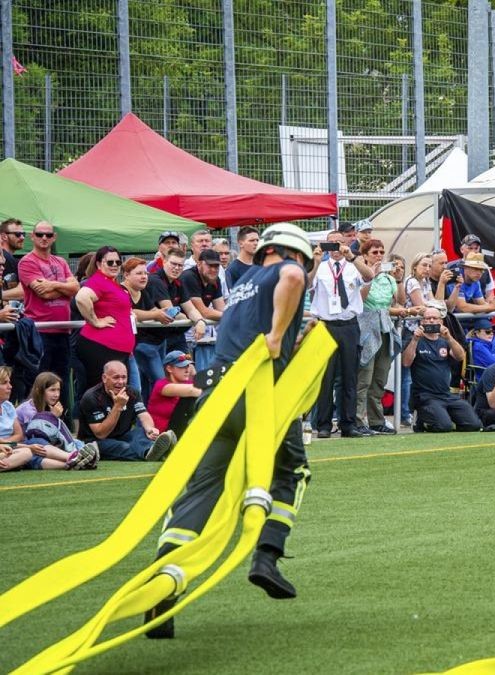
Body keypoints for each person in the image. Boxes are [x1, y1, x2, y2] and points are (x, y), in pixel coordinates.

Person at [145, 222, 314, 638]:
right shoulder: (286, 271)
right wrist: (278, 336)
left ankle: (163, 584)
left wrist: (290, 337)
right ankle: (267, 555)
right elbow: (292, 278)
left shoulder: (241, 286)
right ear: (295, 253)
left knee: (203, 488)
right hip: (262, 394)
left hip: (219, 394)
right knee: (291, 472)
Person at [309, 231, 370, 438]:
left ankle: (348, 423)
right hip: (326, 325)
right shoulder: (321, 267)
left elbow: (370, 276)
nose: (336, 249)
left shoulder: (353, 265)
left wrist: (351, 256)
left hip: (349, 325)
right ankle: (324, 424)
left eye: (340, 244)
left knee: (349, 376)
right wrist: (316, 261)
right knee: (326, 377)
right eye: (331, 244)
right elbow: (307, 284)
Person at [18, 221, 79, 391]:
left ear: (54, 237)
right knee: (40, 384)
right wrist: (64, 287)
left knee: (62, 383)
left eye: (48, 235)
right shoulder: (27, 262)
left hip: (63, 331)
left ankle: (61, 417)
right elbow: (43, 293)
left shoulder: (60, 261)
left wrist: (52, 285)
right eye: (39, 234)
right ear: (32, 236)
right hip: (39, 331)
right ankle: (37, 418)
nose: (44, 238)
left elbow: (76, 288)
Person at [402, 306, 482, 433]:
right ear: (422, 322)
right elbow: (406, 362)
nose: (432, 321)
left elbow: (461, 356)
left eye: (435, 318)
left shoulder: (445, 341)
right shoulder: (415, 340)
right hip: (425, 396)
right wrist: (415, 340)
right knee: (443, 426)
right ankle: (423, 421)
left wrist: (449, 337)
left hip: (446, 394)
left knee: (474, 424)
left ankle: (446, 418)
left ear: (441, 322)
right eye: (428, 318)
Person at [77, 360, 176, 461]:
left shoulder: (132, 392)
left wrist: (150, 429)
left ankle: (152, 450)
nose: (121, 382)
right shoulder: (91, 397)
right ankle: (155, 452)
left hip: (123, 435)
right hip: (95, 442)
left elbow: (143, 414)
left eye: (124, 377)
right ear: (104, 378)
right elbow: (101, 434)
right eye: (116, 377)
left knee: (139, 432)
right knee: (123, 447)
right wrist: (118, 406)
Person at [356, 240, 403, 435]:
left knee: (379, 378)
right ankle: (358, 421)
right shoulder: (359, 275)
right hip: (365, 328)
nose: (379, 255)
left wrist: (399, 280)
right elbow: (361, 300)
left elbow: (399, 302)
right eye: (374, 252)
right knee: (364, 378)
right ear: (365, 255)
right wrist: (371, 276)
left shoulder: (388, 278)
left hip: (385, 328)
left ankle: (376, 420)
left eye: (382, 252)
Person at [74, 246, 136, 390]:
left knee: (113, 394)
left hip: (115, 349)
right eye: (110, 262)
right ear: (98, 264)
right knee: (99, 393)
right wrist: (95, 321)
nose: (114, 265)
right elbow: (81, 298)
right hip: (102, 348)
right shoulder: (99, 281)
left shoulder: (110, 283)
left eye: (118, 262)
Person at [124, 257, 174, 396]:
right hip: (134, 346)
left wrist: (163, 313)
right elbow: (129, 311)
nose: (144, 277)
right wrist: (156, 315)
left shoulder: (143, 291)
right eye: (139, 273)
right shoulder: (122, 291)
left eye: (145, 273)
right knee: (159, 382)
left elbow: (152, 310)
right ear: (126, 275)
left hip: (146, 343)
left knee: (144, 387)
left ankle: (149, 417)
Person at [181, 248, 227, 371]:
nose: (213, 269)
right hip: (179, 335)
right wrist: (232, 316)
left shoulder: (215, 280)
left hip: (198, 335)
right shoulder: (189, 277)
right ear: (199, 264)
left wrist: (229, 315)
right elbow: (204, 312)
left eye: (216, 266)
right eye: (210, 265)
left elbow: (221, 309)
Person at [146, 350, 200, 437]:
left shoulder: (187, 383)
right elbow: (192, 390)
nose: (187, 370)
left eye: (188, 366)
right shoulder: (161, 385)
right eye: (182, 367)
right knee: (191, 397)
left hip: (177, 428)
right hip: (161, 432)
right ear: (169, 369)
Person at [453, 252, 495, 329]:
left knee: (486, 325)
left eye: (481, 270)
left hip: (460, 318)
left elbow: (482, 304)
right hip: (448, 319)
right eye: (476, 269)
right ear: (465, 268)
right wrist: (490, 307)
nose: (479, 273)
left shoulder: (476, 282)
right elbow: (462, 307)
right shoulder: (457, 278)